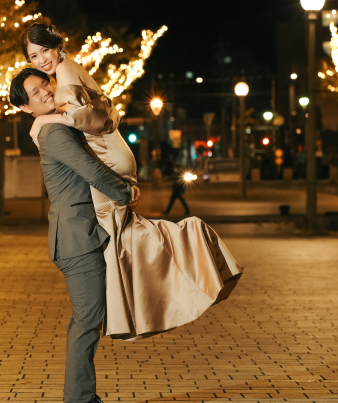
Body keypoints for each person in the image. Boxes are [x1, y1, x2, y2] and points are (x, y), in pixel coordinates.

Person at [20, 23, 243, 343]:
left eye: (45, 50)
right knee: (123, 240)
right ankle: (143, 306)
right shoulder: (70, 70)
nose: (42, 60)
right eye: (33, 55)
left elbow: (82, 117)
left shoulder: (66, 69)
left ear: (58, 46)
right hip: (113, 151)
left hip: (106, 158)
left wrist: (42, 119)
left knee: (127, 239)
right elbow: (102, 113)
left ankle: (190, 256)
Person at [9, 67, 137, 403]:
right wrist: (127, 192)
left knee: (89, 318)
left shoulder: (57, 123)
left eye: (44, 84)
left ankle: (85, 398)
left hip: (82, 233)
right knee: (87, 320)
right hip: (76, 238)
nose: (45, 92)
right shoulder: (52, 132)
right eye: (35, 93)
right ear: (25, 107)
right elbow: (91, 171)